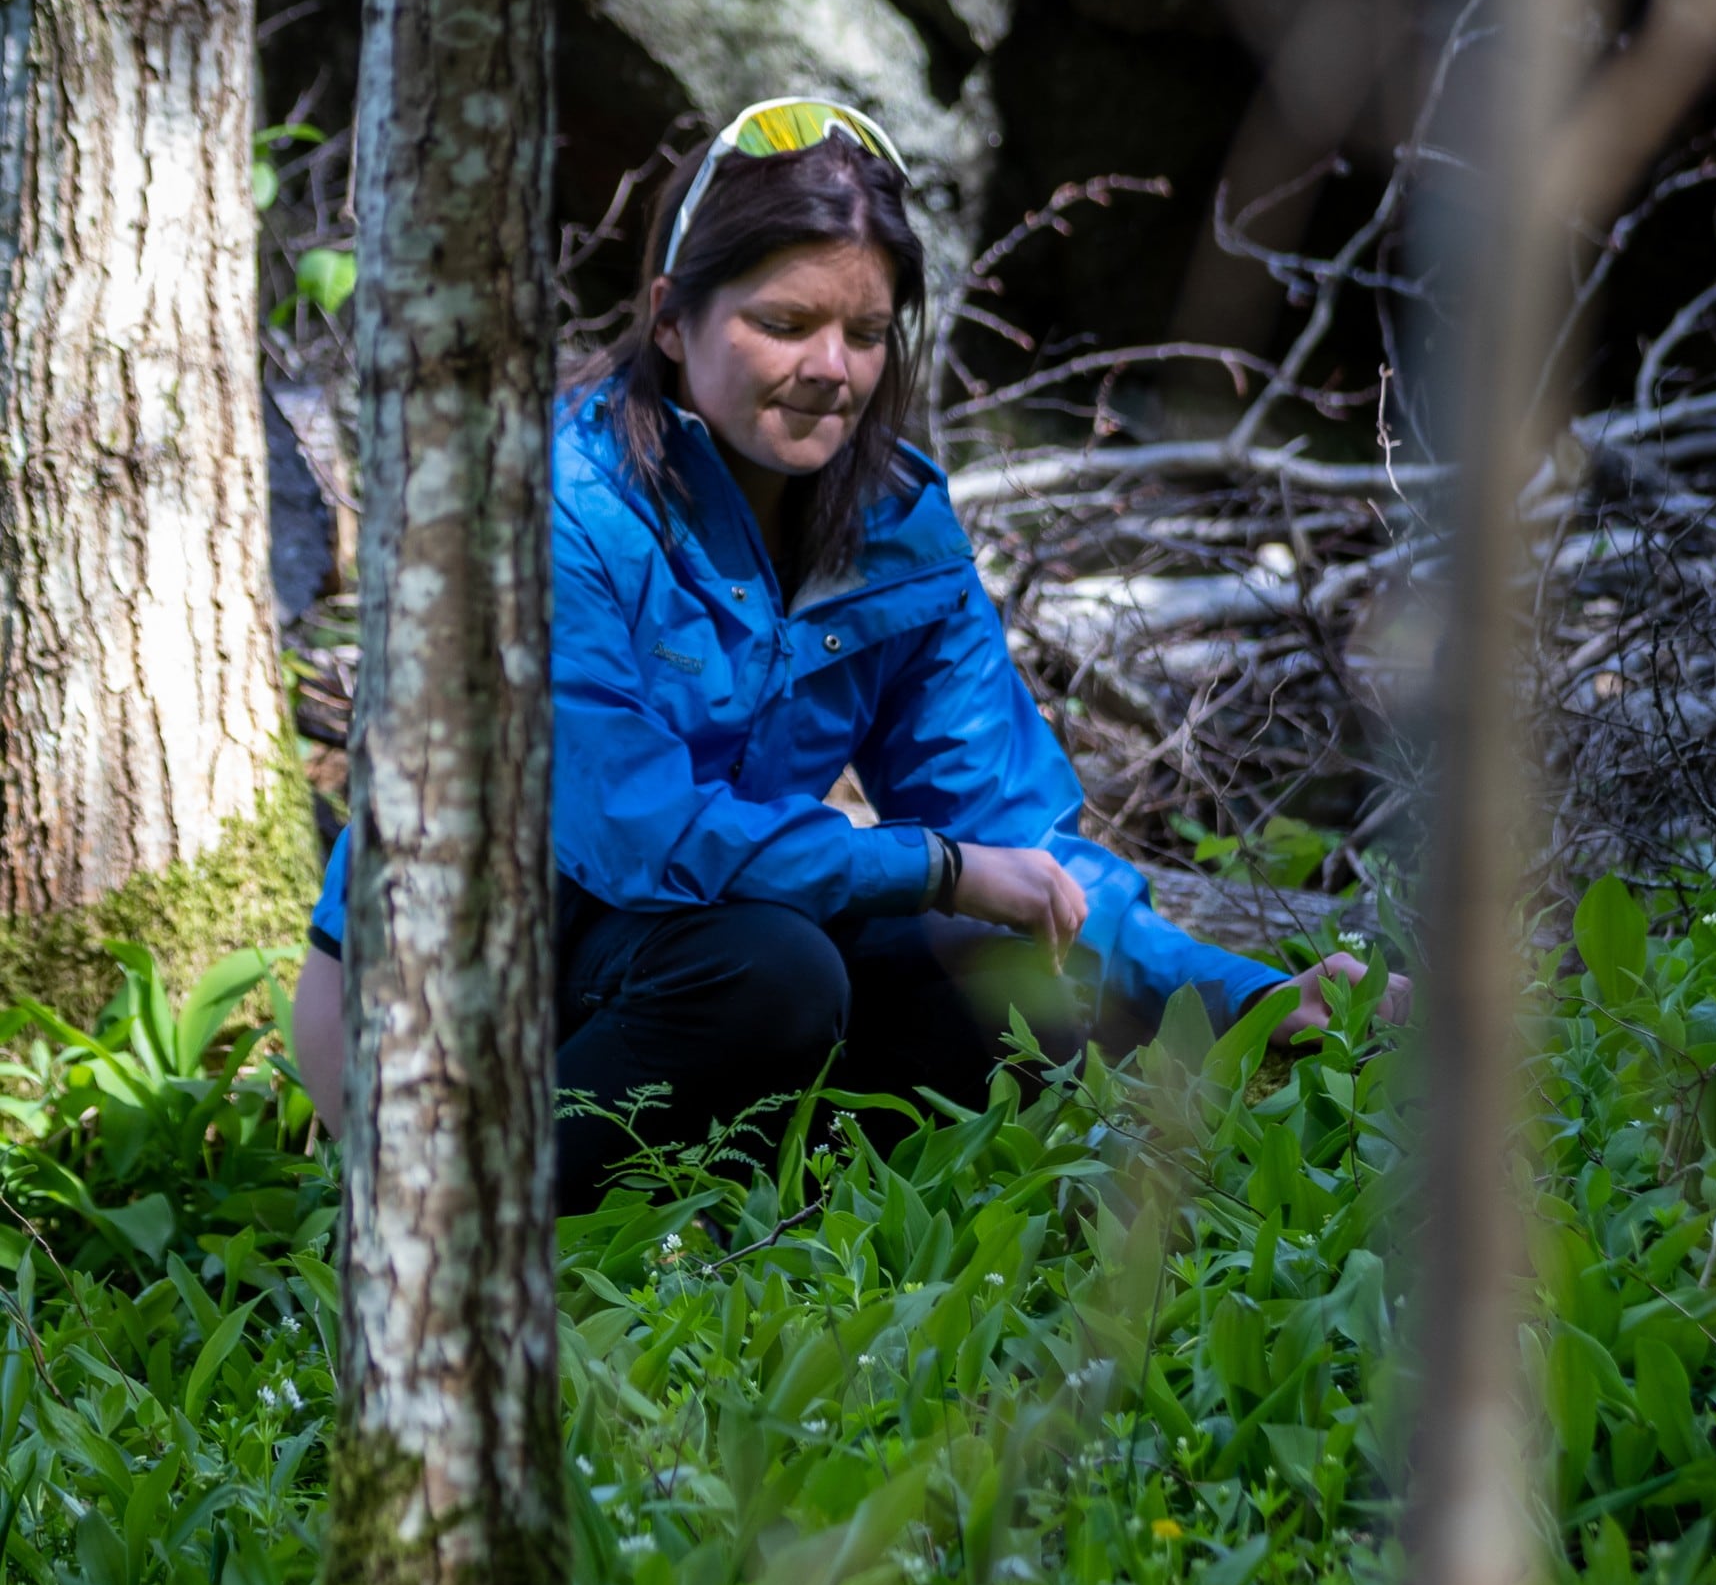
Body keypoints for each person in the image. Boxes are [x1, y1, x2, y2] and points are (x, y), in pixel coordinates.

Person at [292, 96, 1410, 1214]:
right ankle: (445, 1216)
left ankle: (736, 1229)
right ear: (671, 320)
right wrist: (936, 870)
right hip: (458, 1002)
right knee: (775, 974)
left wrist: (1250, 998)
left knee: (1018, 984)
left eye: (866, 334)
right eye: (784, 323)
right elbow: (635, 831)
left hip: (686, 962)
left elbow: (1018, 841)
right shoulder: (549, 507)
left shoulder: (897, 532)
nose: (832, 367)